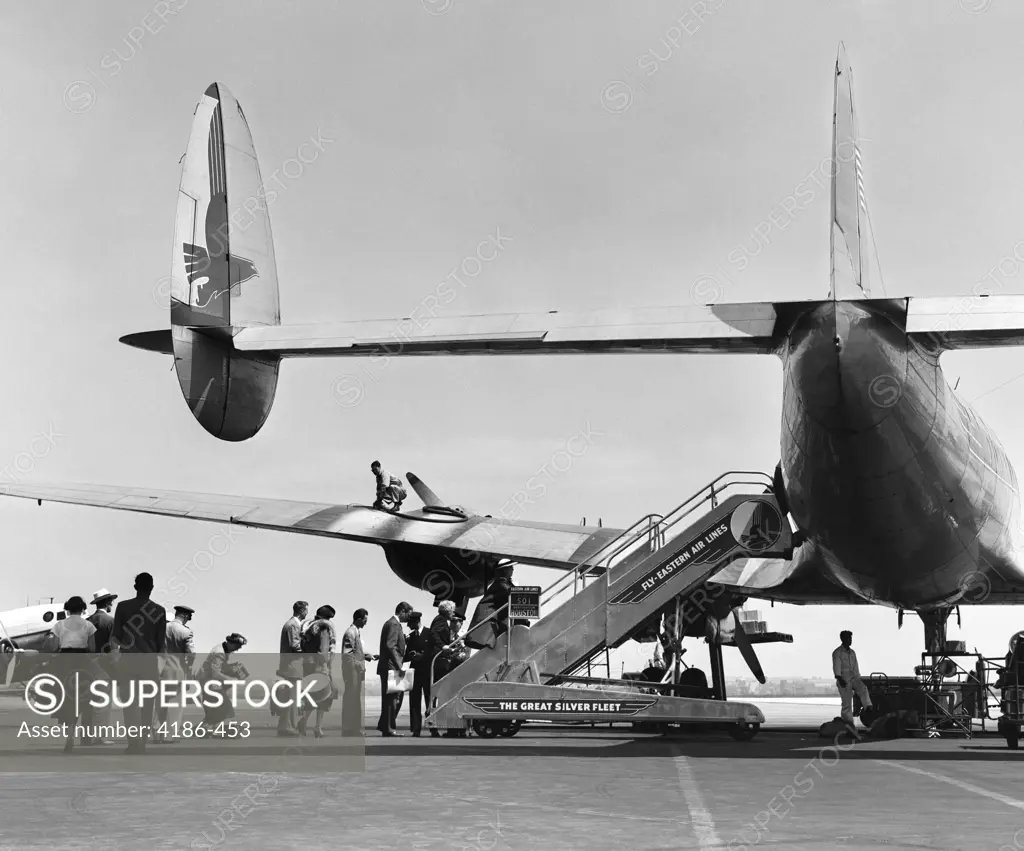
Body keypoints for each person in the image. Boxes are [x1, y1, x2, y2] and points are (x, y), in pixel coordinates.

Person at [111, 572, 167, 754]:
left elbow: (116, 636)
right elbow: (160, 644)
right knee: (147, 705)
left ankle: (132, 743)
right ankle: (142, 742)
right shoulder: (159, 611)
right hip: (149, 663)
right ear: (152, 588)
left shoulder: (122, 607)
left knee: (130, 705)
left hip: (128, 661)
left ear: (135, 587)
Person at [155, 605, 196, 743]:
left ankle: (156, 732)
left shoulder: (161, 629)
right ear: (184, 616)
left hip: (159, 671)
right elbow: (191, 654)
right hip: (176, 672)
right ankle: (169, 735)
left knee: (160, 703)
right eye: (189, 617)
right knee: (175, 705)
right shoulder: (185, 632)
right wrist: (188, 667)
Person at [82, 588, 117, 746]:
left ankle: (86, 736)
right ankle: (100, 736)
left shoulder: (87, 621)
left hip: (87, 666)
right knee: (102, 701)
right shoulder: (110, 621)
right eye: (111, 601)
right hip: (103, 666)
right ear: (108, 603)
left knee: (87, 701)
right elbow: (112, 648)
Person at [297, 605, 337, 738]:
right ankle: (317, 727)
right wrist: (327, 665)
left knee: (312, 696)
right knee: (325, 697)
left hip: (307, 665)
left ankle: (305, 722)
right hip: (320, 665)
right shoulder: (324, 628)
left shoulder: (308, 627)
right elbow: (323, 650)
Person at [197, 633, 247, 733]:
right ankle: (215, 728)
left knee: (215, 708)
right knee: (224, 707)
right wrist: (231, 680)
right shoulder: (219, 653)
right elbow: (215, 673)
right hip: (208, 681)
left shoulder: (222, 649)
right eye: (237, 646)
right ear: (230, 643)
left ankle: (207, 726)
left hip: (207, 680)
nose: (237, 649)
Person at [377, 601, 413, 736]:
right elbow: (390, 645)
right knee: (391, 699)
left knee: (390, 698)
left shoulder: (392, 623)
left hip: (389, 666)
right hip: (391, 667)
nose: (408, 618)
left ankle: (384, 725)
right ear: (402, 611)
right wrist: (399, 666)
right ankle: (388, 728)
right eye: (408, 614)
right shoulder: (393, 624)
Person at [422, 600, 456, 738]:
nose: (453, 613)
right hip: (438, 662)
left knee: (435, 694)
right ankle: (433, 723)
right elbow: (434, 634)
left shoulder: (439, 620)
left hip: (439, 659)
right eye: (452, 610)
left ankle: (434, 725)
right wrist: (443, 646)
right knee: (437, 693)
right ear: (447, 611)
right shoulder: (440, 621)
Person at [340, 609, 376, 737]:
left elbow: (354, 651)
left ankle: (352, 728)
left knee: (354, 700)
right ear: (360, 619)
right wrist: (358, 666)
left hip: (355, 670)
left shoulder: (355, 632)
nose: (366, 623)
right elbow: (347, 654)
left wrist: (366, 656)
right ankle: (350, 729)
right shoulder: (351, 632)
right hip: (352, 671)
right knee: (352, 700)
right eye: (365, 620)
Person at [465, 563, 516, 650]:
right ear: (505, 570)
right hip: (489, 621)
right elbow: (511, 593)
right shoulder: (500, 583)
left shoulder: (504, 583)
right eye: (511, 567)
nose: (513, 569)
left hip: (495, 621)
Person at [277, 600, 308, 737]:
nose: (307, 612)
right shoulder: (293, 625)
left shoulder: (293, 624)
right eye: (306, 610)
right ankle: (287, 727)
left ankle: (286, 725)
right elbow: (295, 646)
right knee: (291, 697)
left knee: (290, 697)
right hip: (292, 666)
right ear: (302, 611)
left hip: (292, 666)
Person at [833, 630, 872, 726]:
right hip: (843, 679)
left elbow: (856, 667)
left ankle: (868, 706)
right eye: (848, 638)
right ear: (842, 639)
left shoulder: (852, 653)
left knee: (863, 689)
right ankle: (848, 725)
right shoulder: (837, 653)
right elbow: (836, 667)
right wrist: (840, 679)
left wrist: (858, 679)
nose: (850, 640)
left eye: (850, 638)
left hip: (854, 677)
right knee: (847, 704)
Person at [403, 612, 428, 736]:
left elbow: (432, 652)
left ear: (416, 621)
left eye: (410, 623)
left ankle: (433, 727)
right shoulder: (411, 637)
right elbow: (406, 656)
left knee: (430, 700)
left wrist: (421, 656)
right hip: (415, 672)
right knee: (414, 701)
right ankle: (416, 728)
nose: (408, 625)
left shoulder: (429, 633)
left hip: (427, 672)